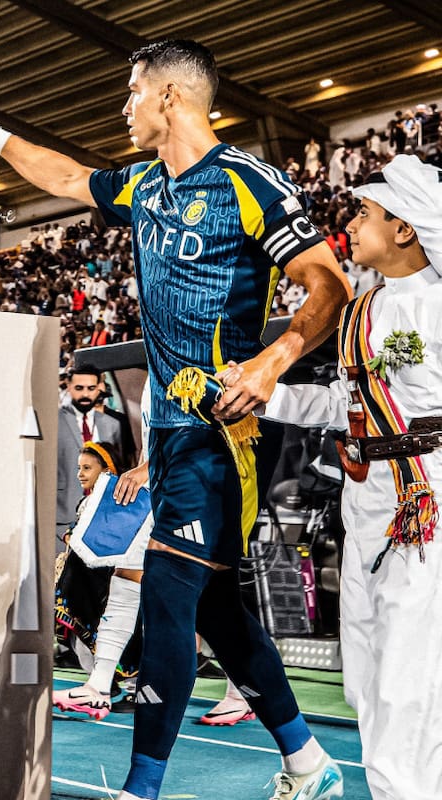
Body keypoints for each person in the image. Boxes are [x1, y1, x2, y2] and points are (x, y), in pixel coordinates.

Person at [0, 38, 351, 800]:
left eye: (130, 92)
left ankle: (141, 789)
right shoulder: (145, 185)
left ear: (168, 97)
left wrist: (270, 362)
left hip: (226, 433)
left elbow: (326, 283)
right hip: (171, 434)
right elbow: (64, 175)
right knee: (215, 608)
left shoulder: (248, 181)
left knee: (165, 592)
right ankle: (309, 764)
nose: (122, 107)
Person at [260, 154, 442, 799]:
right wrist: (269, 398)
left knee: (407, 667)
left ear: (405, 230)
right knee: (365, 666)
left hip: (426, 497)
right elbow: (346, 403)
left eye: (366, 213)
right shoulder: (362, 310)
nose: (351, 223)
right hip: (363, 492)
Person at [53, 442, 149, 720]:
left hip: (183, 497)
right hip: (95, 582)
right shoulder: (95, 502)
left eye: (87, 468)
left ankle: (237, 695)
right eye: (79, 468)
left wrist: (146, 470)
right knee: (126, 580)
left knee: (210, 610)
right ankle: (100, 685)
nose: (81, 474)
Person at [56, 365, 122, 541]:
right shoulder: (54, 421)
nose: (85, 394)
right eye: (79, 388)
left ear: (99, 388)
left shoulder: (112, 424)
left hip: (102, 519)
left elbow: (116, 469)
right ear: (69, 387)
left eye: (91, 388)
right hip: (63, 517)